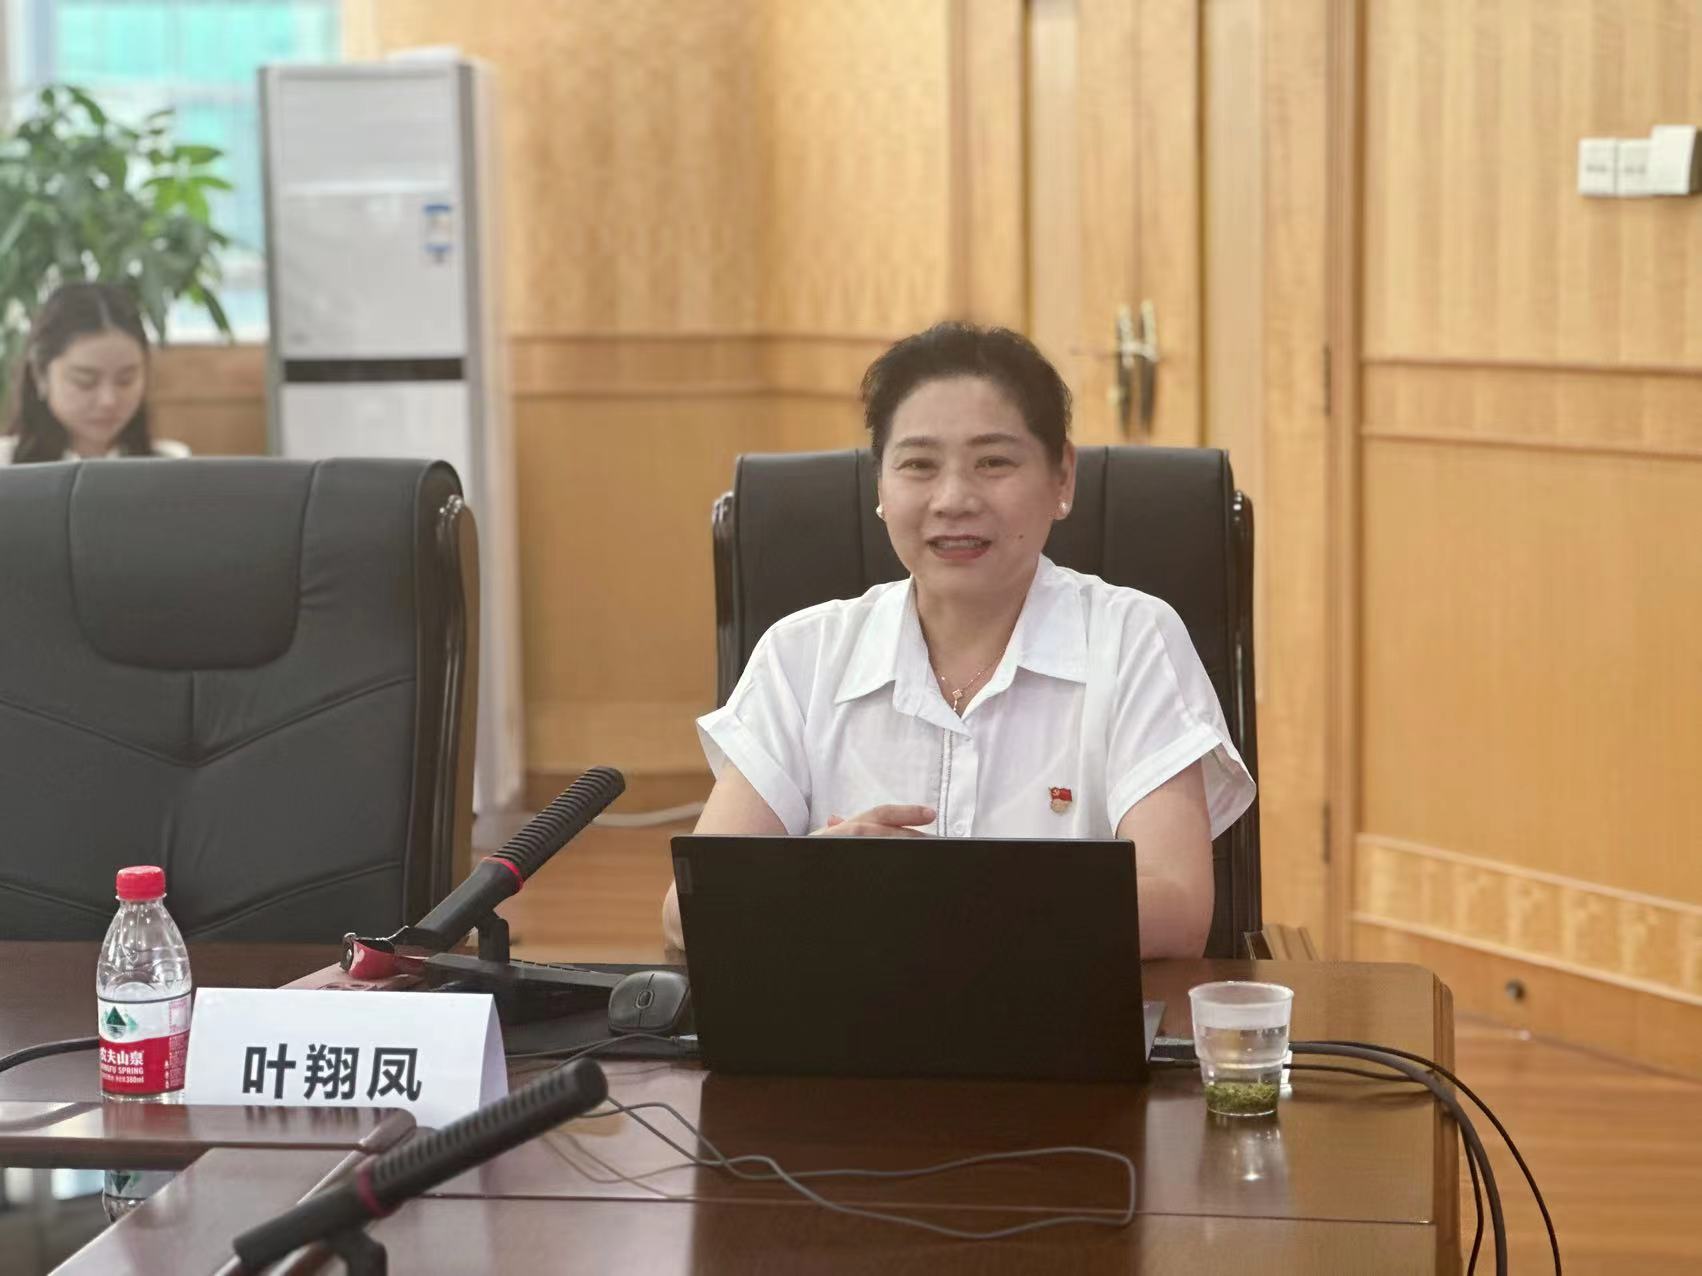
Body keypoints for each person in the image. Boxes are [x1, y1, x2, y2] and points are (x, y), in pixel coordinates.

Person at [663, 321, 1255, 958]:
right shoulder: (801, 655)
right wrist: (819, 871)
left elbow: (1176, 910)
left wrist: (923, 894)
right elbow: (686, 912)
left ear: (1062, 477)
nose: (953, 499)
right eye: (918, 465)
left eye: (993, 462)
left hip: (1059, 1014)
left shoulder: (1133, 640)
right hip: (849, 1012)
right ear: (880, 486)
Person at [0, 282, 189, 464]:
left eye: (126, 380)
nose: (108, 401)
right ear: (40, 374)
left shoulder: (171, 463)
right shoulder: (5, 463)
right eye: (85, 381)